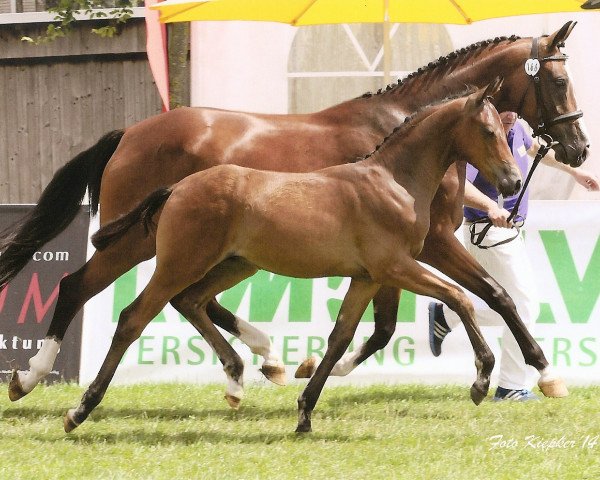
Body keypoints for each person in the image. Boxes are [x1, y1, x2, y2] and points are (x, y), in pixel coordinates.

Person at [428, 111, 600, 401]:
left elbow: (534, 149)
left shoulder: (518, 127)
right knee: (524, 306)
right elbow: (459, 185)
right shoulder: (481, 139)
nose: (509, 116)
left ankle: (447, 315)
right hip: (488, 232)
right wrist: (490, 207)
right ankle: (510, 386)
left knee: (510, 306)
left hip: (508, 232)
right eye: (504, 110)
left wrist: (575, 173)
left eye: (512, 112)